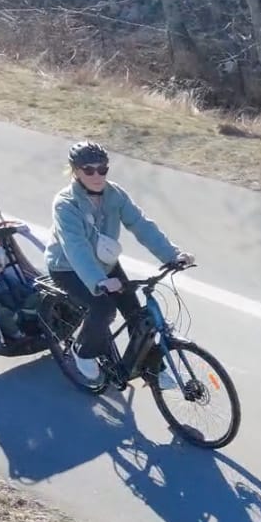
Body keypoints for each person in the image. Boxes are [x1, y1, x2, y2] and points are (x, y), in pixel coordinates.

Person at [45, 140, 191, 387]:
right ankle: (84, 352)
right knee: (103, 309)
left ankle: (154, 368)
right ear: (76, 171)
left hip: (104, 263)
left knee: (139, 316)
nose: (96, 175)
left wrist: (171, 255)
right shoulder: (65, 204)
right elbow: (75, 248)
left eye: (102, 169)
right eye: (88, 170)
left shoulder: (115, 194)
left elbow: (141, 225)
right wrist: (99, 282)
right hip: (69, 268)